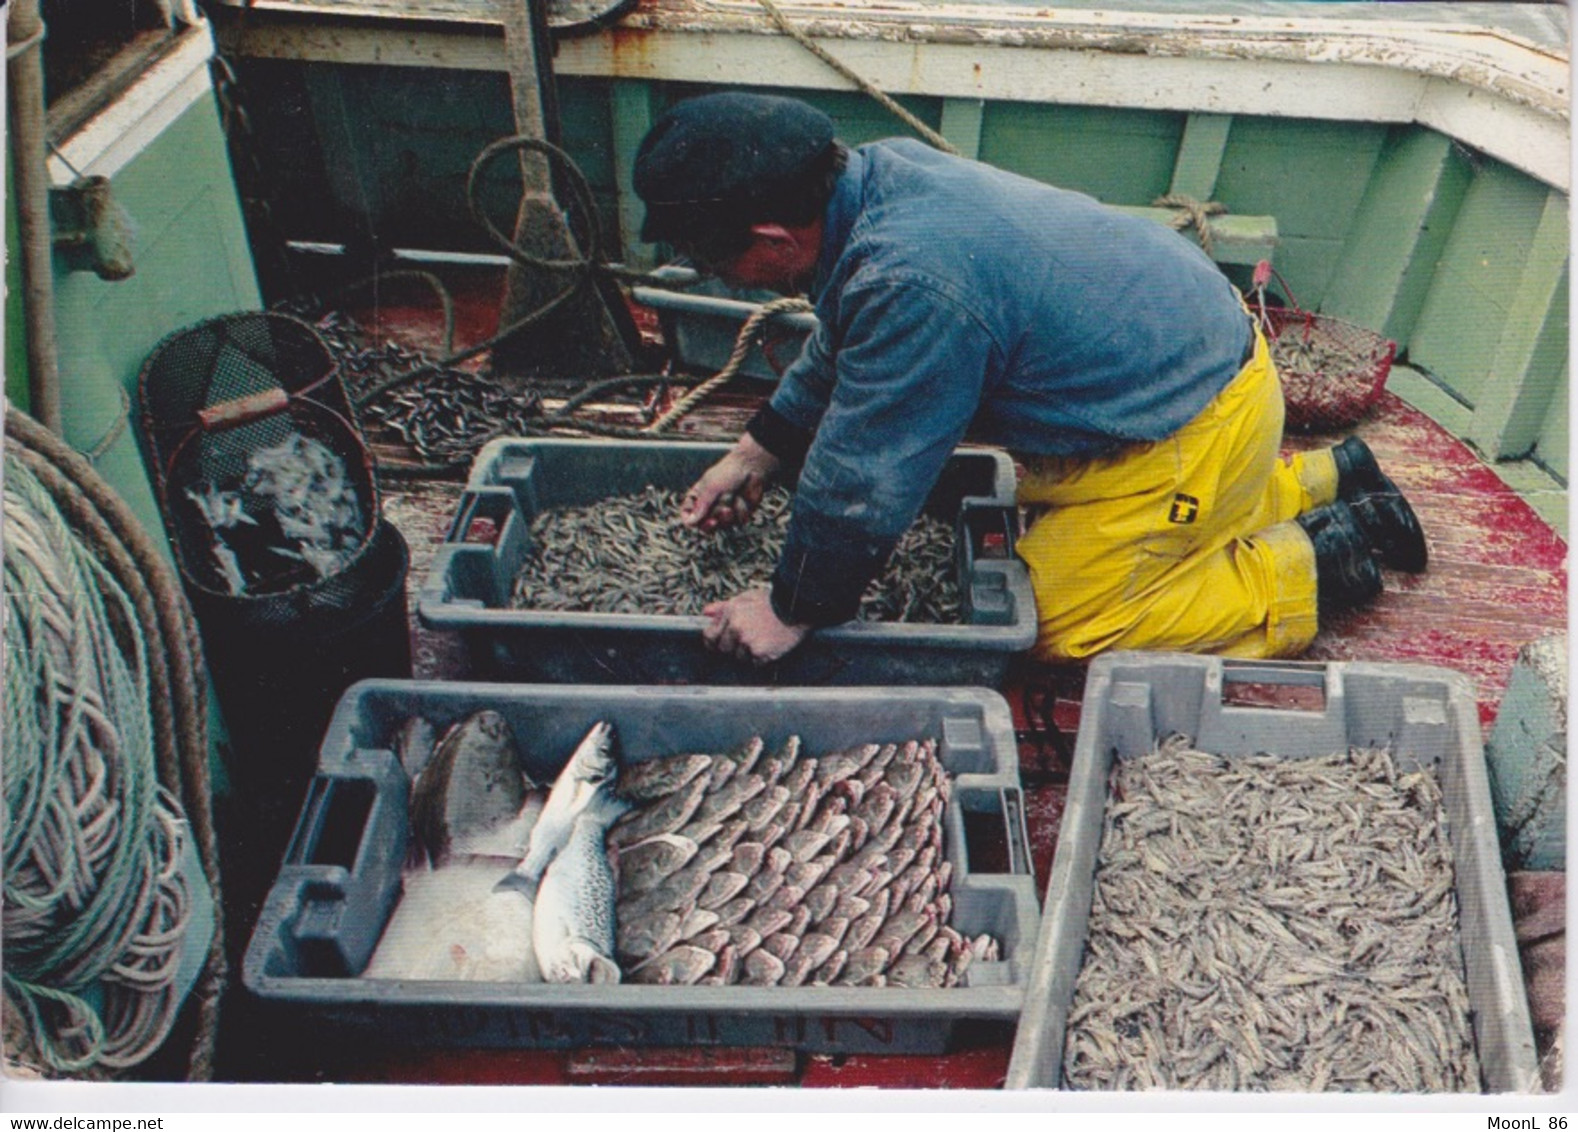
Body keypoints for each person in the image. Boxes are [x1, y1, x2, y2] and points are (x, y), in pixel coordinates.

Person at [631, 91, 1427, 666]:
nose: (717, 277)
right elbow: (844, 343)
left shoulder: (909, 280)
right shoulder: (874, 178)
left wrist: (789, 608)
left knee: (1044, 623)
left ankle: (1313, 566)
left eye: (712, 260)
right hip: (1192, 375)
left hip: (1190, 425)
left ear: (771, 236)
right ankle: (1329, 477)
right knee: (1033, 512)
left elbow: (862, 474)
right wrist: (757, 450)